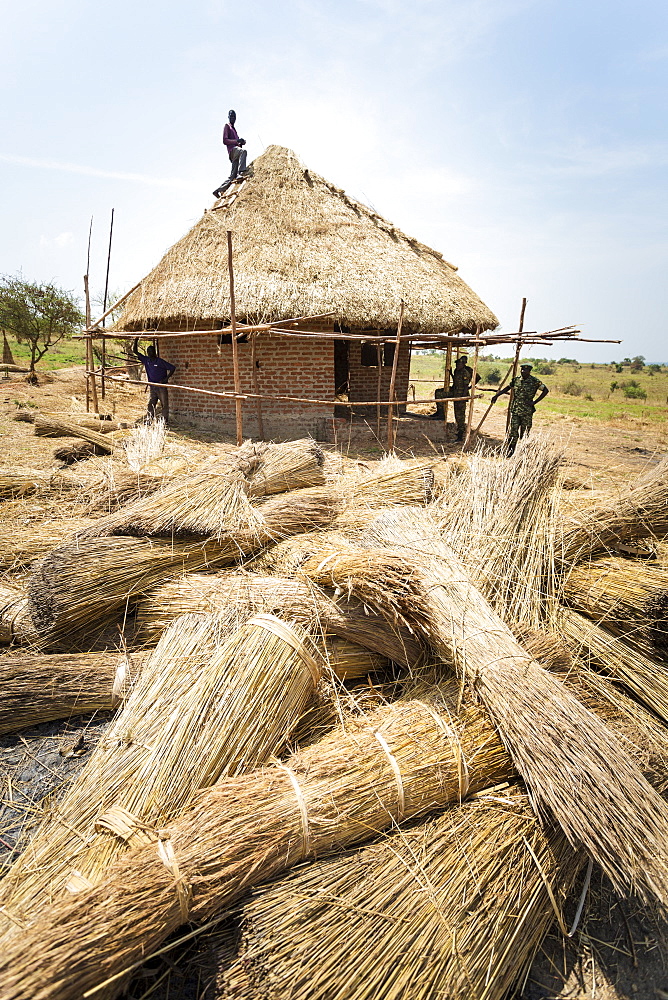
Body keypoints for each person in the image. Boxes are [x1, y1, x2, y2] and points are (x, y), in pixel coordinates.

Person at [491, 363, 548, 455]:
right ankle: (510, 451)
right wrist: (497, 395)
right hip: (515, 410)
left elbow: (546, 390)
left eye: (525, 370)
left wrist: (534, 402)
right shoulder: (516, 380)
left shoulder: (535, 381)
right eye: (522, 370)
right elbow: (508, 388)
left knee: (524, 433)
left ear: (529, 371)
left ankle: (523, 453)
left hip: (527, 411)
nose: (523, 372)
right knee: (513, 431)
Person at [432, 355, 480, 441]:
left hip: (461, 394)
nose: (457, 365)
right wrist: (451, 373)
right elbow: (455, 380)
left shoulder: (465, 372)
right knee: (439, 393)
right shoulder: (456, 371)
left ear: (463, 364)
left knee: (459, 415)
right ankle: (440, 413)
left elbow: (467, 384)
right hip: (454, 391)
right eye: (457, 364)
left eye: (459, 364)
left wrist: (465, 393)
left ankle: (460, 435)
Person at [132, 338, 176, 425]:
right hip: (152, 386)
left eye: (151, 351)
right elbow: (135, 351)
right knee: (151, 404)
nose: (149, 353)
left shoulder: (159, 361)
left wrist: (166, 379)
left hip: (161, 386)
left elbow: (172, 368)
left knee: (164, 404)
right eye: (148, 352)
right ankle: (149, 420)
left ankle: (164, 421)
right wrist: (136, 340)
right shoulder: (147, 360)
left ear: (154, 352)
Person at [213, 110, 248, 198]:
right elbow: (225, 140)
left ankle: (218, 190)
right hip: (232, 151)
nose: (233, 118)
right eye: (231, 117)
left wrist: (241, 142)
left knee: (232, 176)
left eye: (234, 117)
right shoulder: (227, 126)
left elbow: (237, 143)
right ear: (228, 117)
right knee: (243, 152)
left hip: (236, 152)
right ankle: (241, 172)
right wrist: (237, 141)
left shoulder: (234, 130)